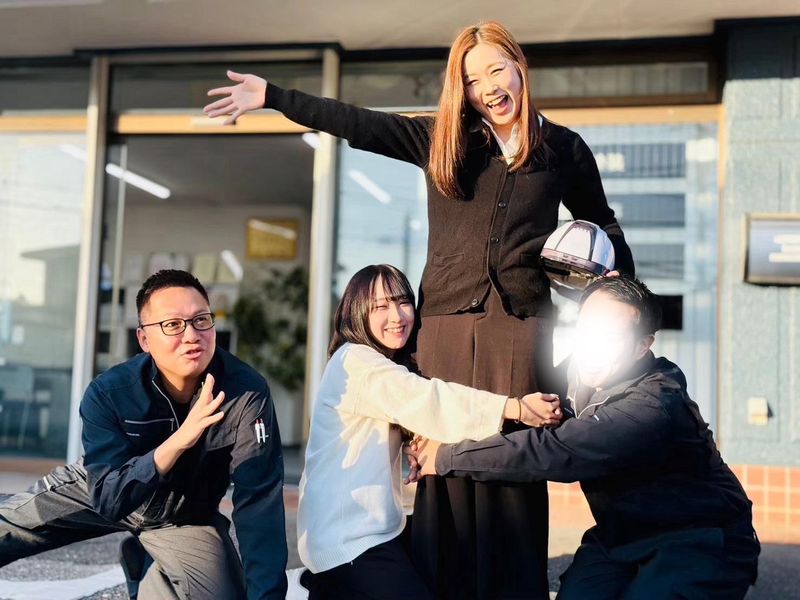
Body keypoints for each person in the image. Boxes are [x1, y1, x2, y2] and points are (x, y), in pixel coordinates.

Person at [205, 21, 634, 599]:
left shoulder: (563, 148)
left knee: (515, 460)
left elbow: (602, 223)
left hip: (521, 328)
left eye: (496, 69)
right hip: (446, 328)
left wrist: (625, 297)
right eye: (473, 79)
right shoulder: (445, 140)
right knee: (446, 457)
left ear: (518, 67)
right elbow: (360, 124)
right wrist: (274, 97)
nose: (488, 87)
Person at [408, 276, 760, 600]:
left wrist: (445, 456)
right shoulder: (580, 371)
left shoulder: (652, 407)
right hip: (619, 538)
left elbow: (554, 451)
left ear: (642, 346)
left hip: (699, 539)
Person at [0, 269, 288, 600]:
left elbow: (259, 504)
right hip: (107, 486)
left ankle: (144, 567)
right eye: (173, 325)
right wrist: (179, 441)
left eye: (201, 320)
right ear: (144, 339)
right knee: (8, 527)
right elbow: (108, 498)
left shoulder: (245, 393)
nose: (192, 335)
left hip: (183, 517)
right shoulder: (109, 392)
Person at [298, 264, 562, 600]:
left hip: (365, 534)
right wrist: (515, 408)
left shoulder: (373, 362)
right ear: (357, 312)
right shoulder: (356, 361)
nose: (396, 316)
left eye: (403, 302)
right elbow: (428, 400)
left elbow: (407, 407)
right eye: (380, 306)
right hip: (349, 544)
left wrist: (413, 440)